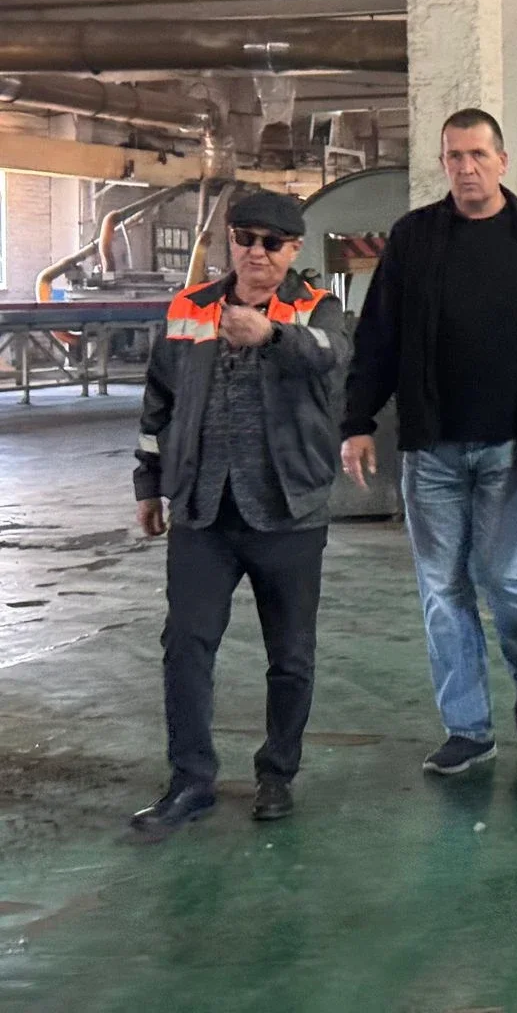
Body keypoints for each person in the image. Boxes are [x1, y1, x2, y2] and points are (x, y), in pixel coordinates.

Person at [341, 108, 517, 776]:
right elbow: (379, 334)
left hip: (511, 447)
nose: (467, 167)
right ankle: (469, 728)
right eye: (455, 156)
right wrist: (357, 420)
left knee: (506, 578)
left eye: (478, 154)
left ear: (503, 161)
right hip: (433, 447)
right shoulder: (414, 237)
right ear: (443, 163)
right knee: (441, 588)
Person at [130, 190, 351, 832]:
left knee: (291, 654)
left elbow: (331, 355)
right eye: (245, 238)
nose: (257, 252)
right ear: (230, 240)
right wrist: (149, 483)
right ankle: (190, 780)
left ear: (294, 249)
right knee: (185, 644)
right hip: (202, 511)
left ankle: (276, 773)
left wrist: (272, 334)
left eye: (271, 243)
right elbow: (159, 401)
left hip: (289, 510)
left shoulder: (317, 307)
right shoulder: (190, 307)